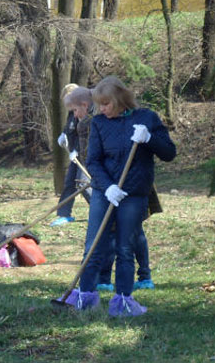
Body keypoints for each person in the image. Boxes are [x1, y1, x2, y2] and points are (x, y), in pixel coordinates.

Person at [59, 76, 176, 317]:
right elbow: (93, 161)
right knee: (93, 244)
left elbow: (169, 153)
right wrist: (108, 187)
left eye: (105, 104)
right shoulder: (100, 123)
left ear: (119, 100)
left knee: (125, 248)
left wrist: (150, 139)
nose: (101, 109)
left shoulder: (147, 119)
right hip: (105, 192)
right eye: (98, 105)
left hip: (134, 194)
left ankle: (123, 301)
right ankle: (86, 296)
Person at [50, 84, 84, 227]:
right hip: (74, 155)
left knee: (84, 184)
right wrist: (64, 134)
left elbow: (85, 134)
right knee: (69, 183)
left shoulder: (85, 111)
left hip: (85, 154)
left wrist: (77, 150)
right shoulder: (72, 113)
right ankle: (64, 214)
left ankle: (102, 212)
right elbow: (69, 128)